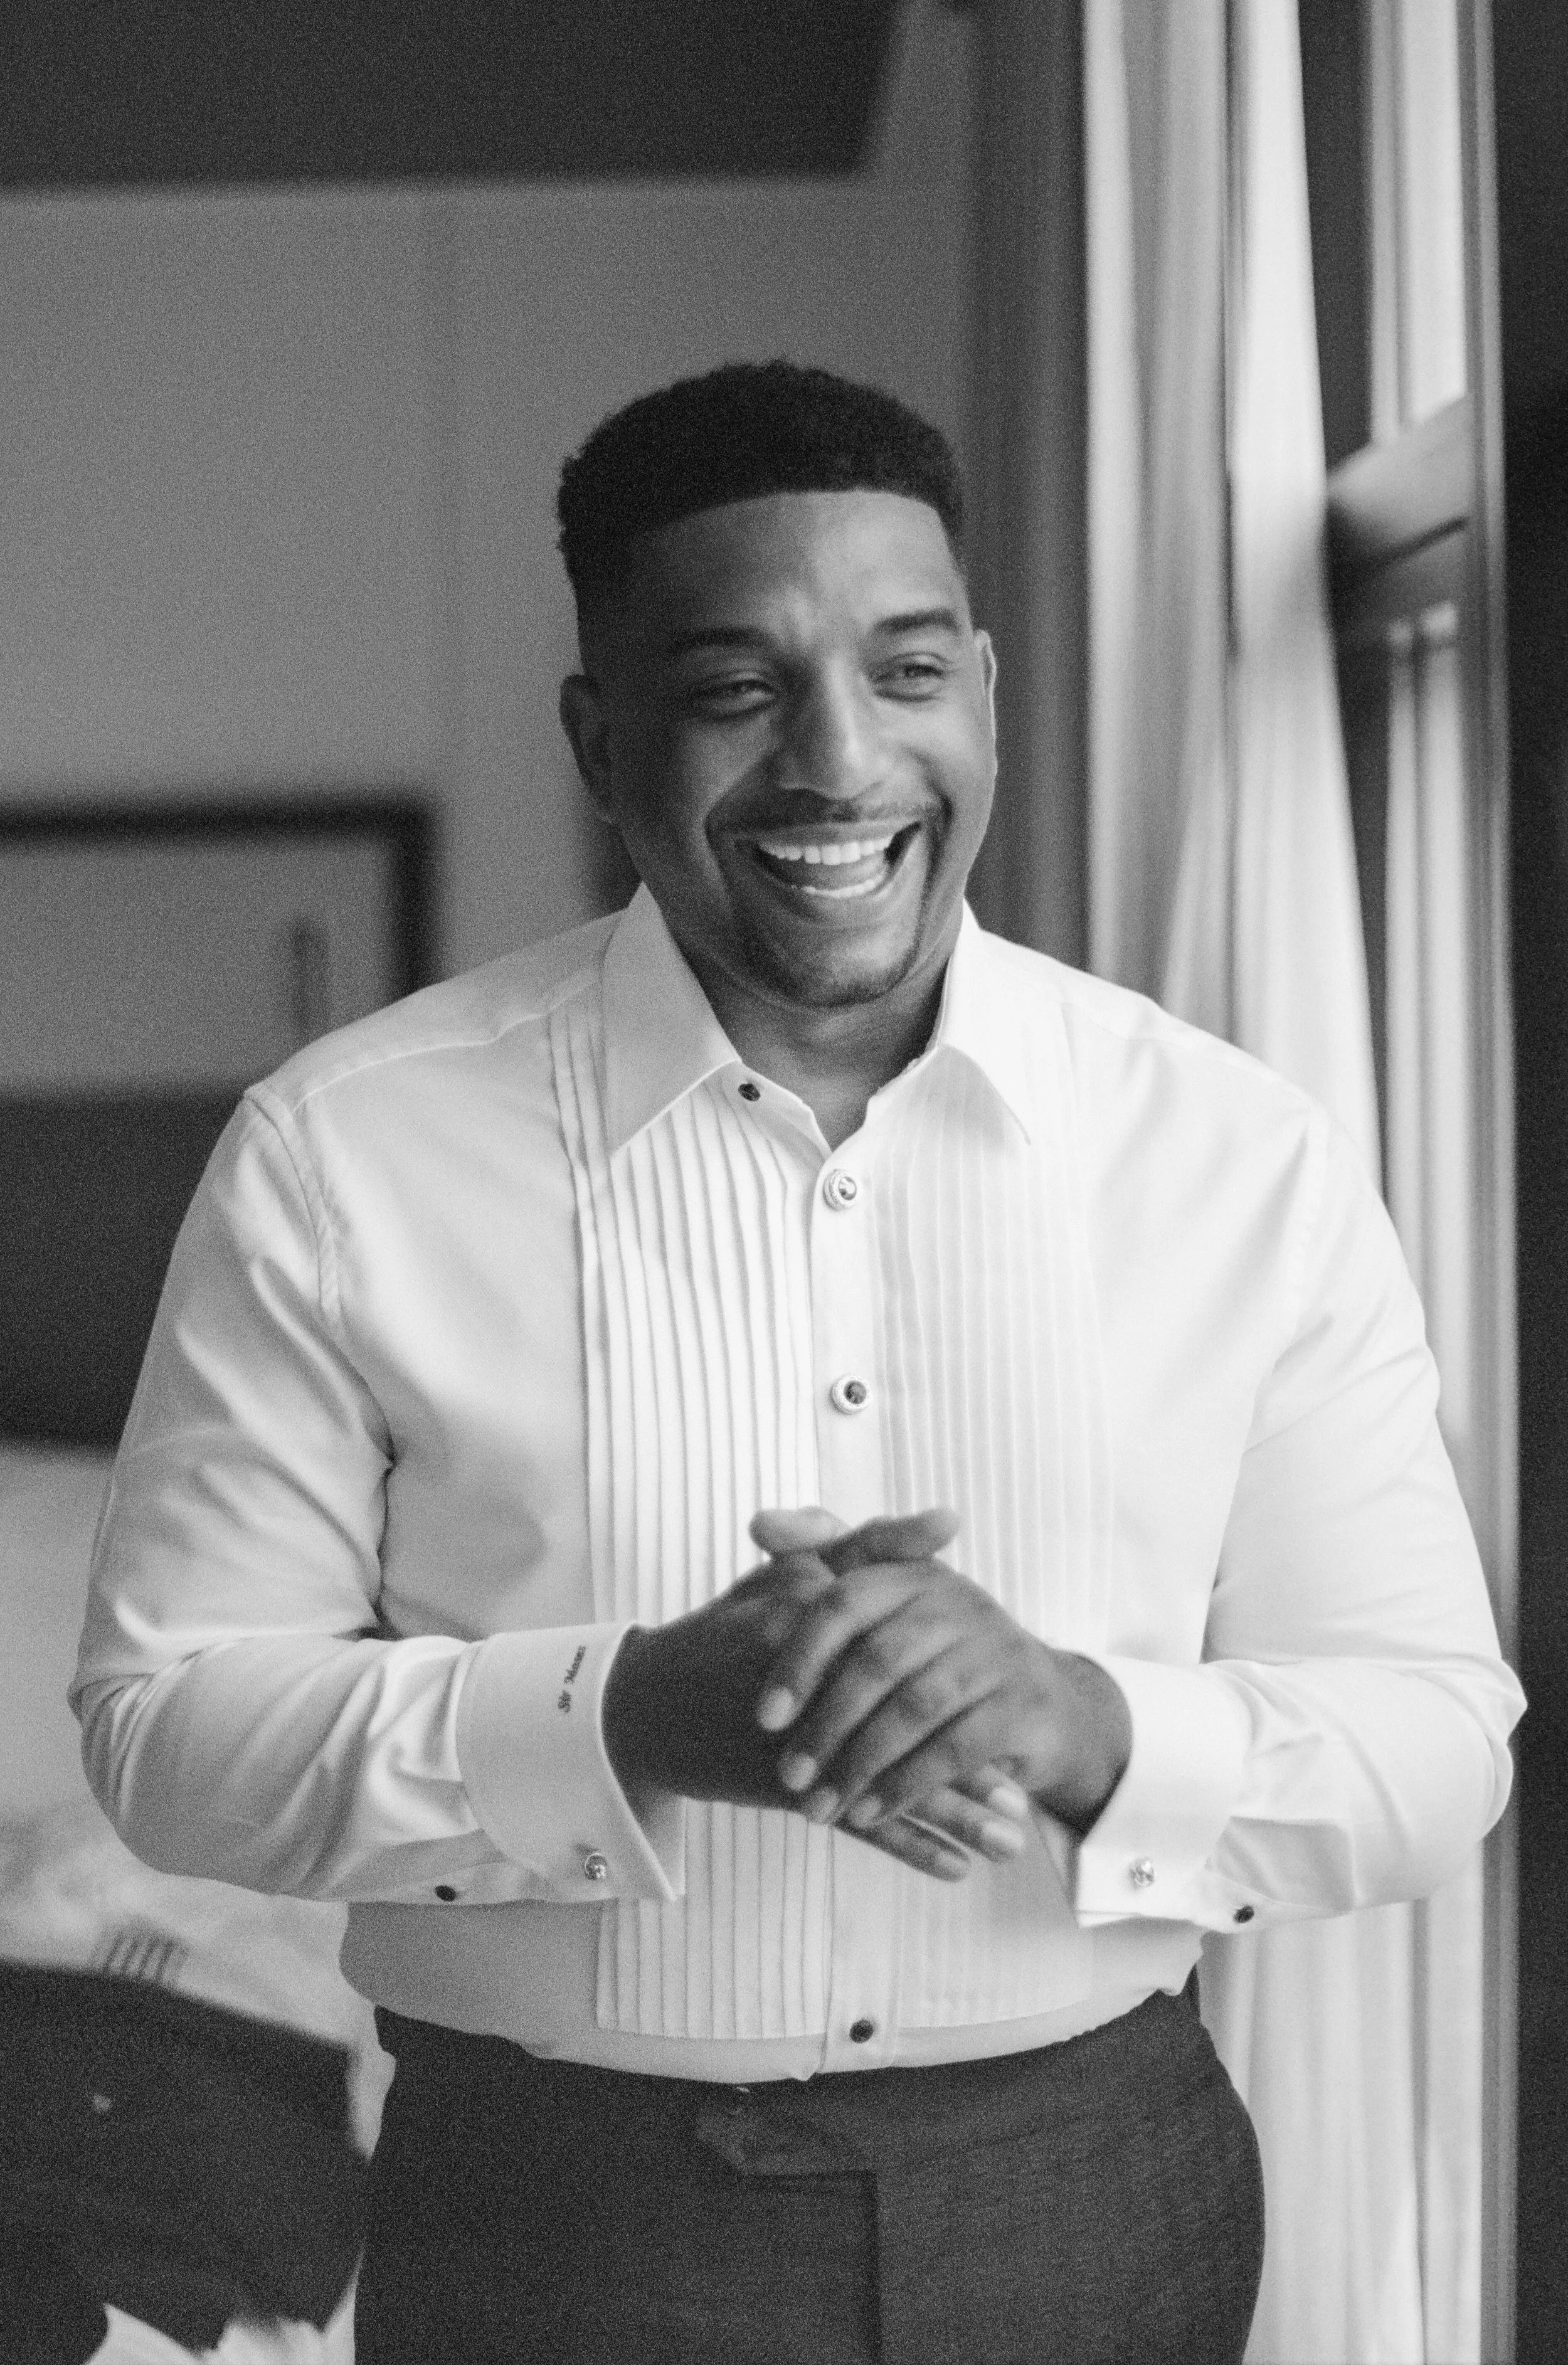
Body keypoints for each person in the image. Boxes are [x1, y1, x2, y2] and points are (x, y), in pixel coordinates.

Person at [75, 360, 1524, 2365]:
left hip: (1101, 2188)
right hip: (551, 2221)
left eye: (906, 671)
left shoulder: (1235, 1154)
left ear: (987, 700)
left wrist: (1082, 1723)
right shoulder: (343, 1154)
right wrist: (631, 1714)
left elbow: (1437, 1747)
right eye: (739, 689)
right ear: (604, 739)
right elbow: (165, 1732)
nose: (840, 765)